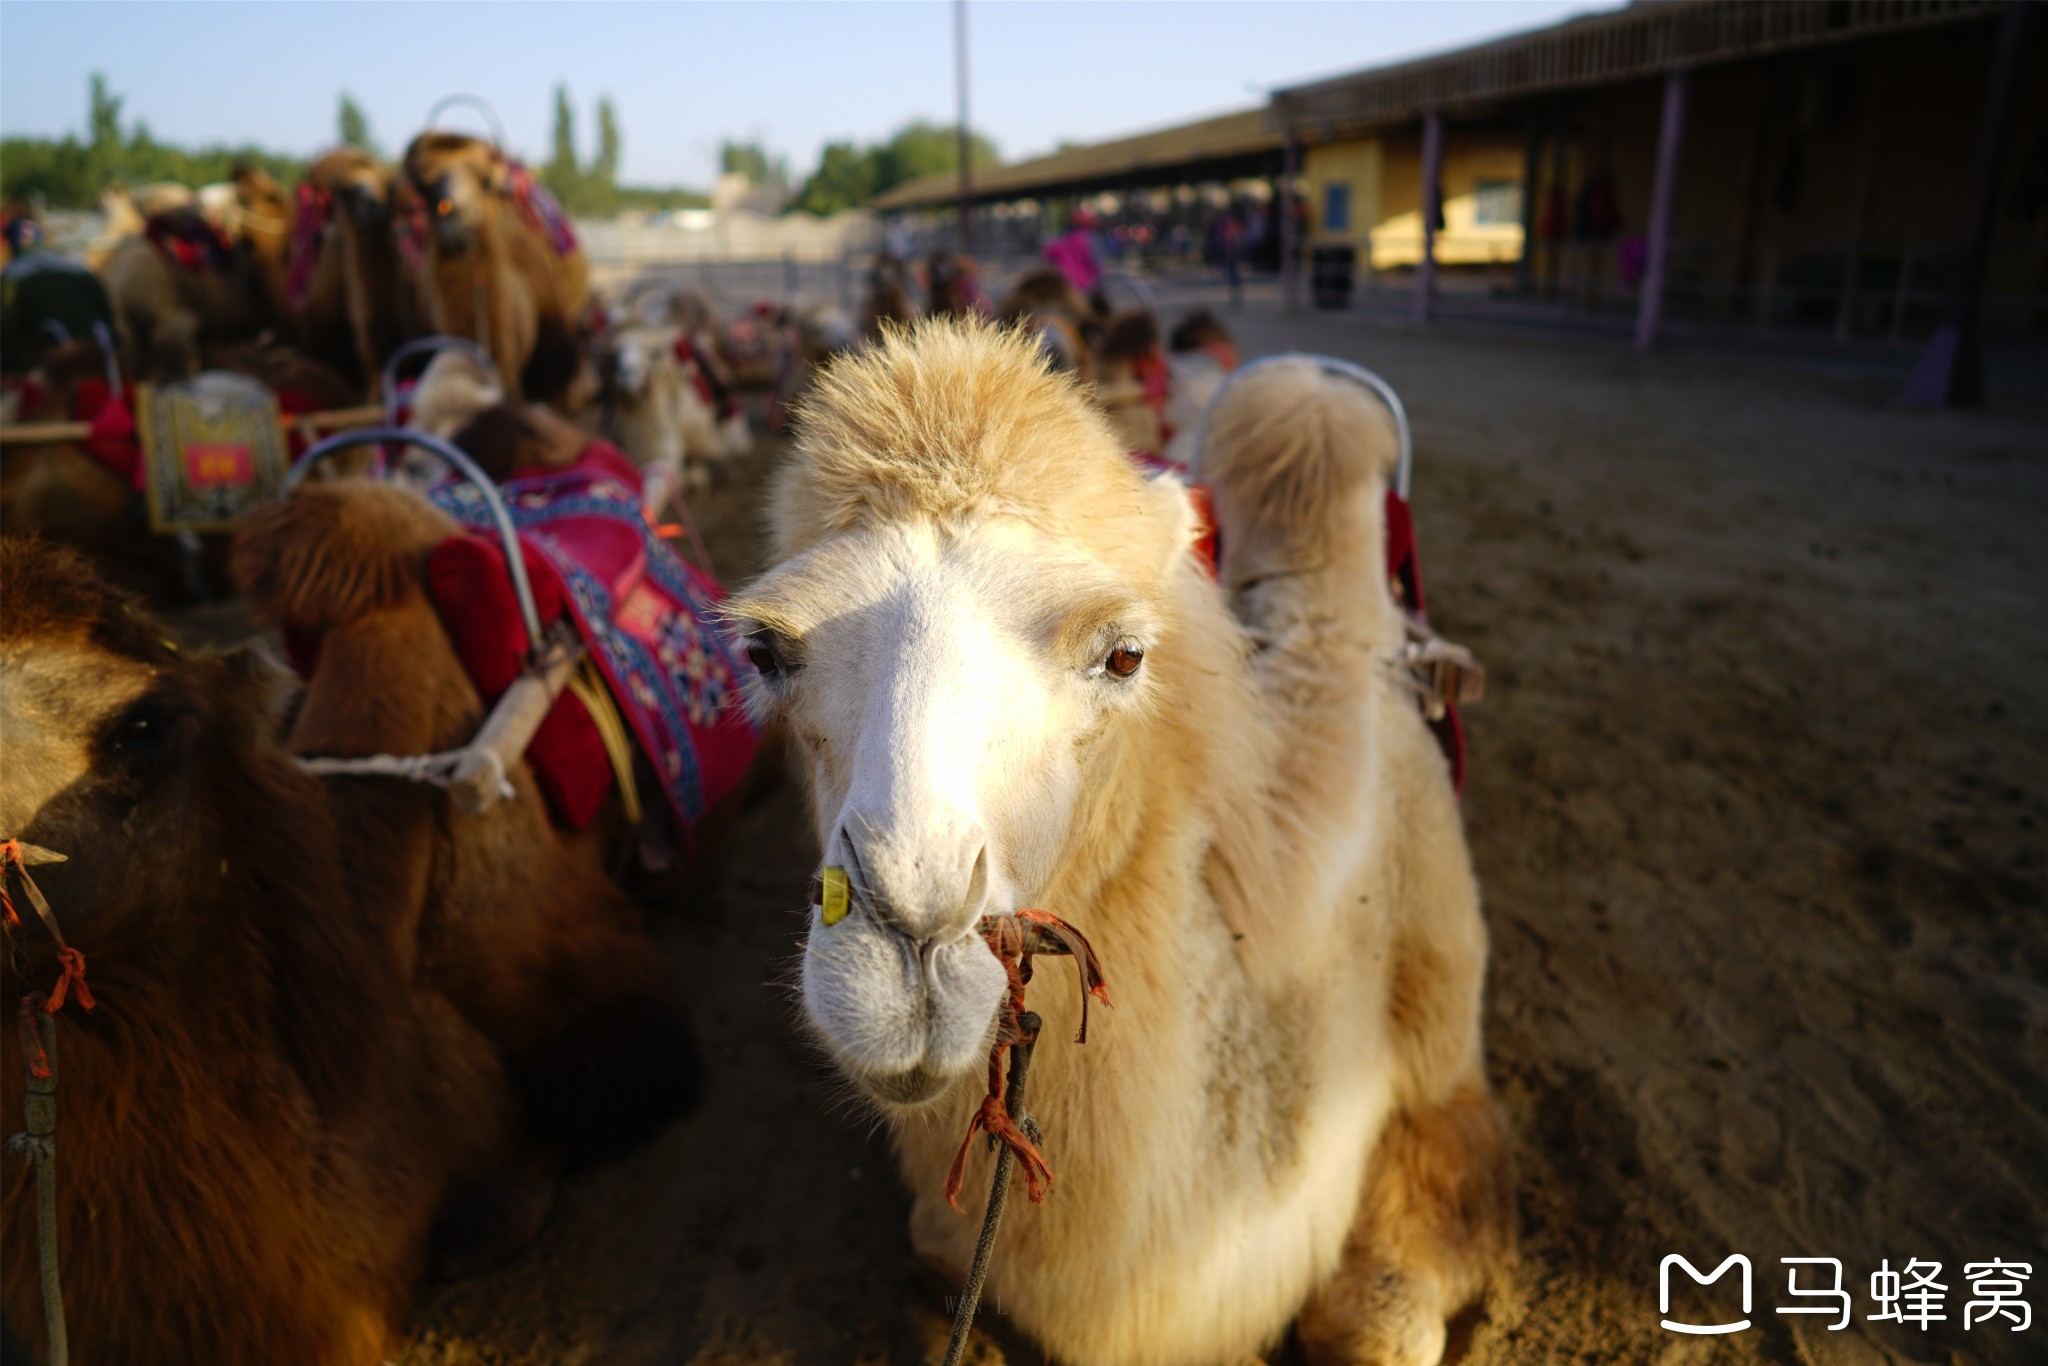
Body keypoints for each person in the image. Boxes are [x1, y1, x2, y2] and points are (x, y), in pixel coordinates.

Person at [1043, 207, 1102, 294]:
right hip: (1088, 284)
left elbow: (1047, 253)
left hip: (1066, 284)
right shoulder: (1090, 239)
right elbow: (1096, 261)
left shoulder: (1062, 240)